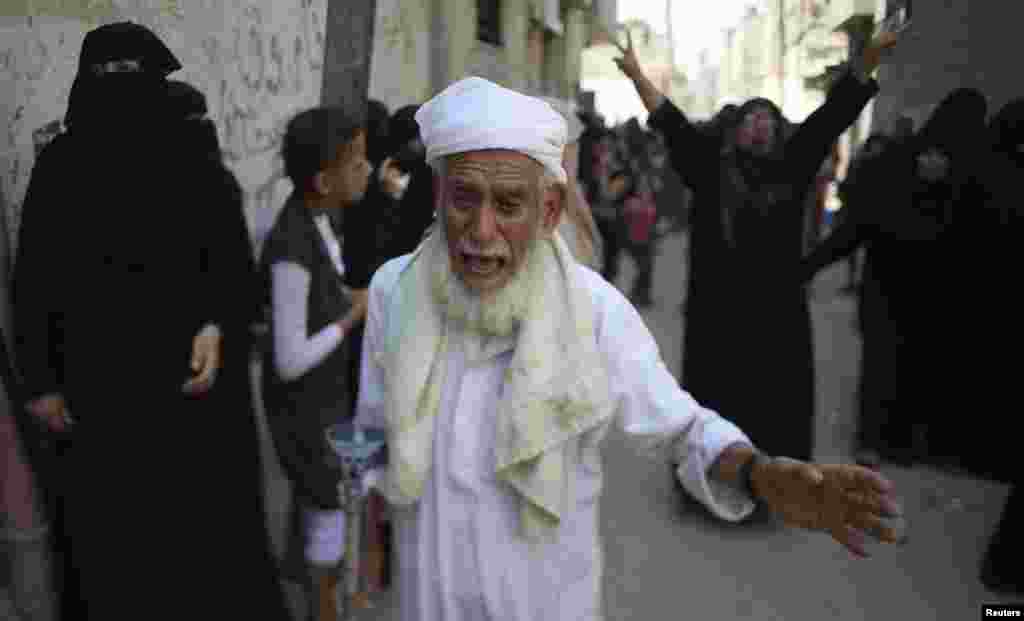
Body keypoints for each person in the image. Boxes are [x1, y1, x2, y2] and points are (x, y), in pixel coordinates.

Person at [351, 76, 905, 621]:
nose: (481, 229)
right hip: (428, 595)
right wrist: (369, 537)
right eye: (464, 199)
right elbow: (374, 427)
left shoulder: (593, 312)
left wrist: (761, 473)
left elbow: (683, 429)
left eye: (508, 204)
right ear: (439, 197)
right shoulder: (393, 291)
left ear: (548, 212)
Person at [12, 22, 291, 619]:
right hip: (102, 407)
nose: (117, 88)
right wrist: (42, 384)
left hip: (192, 402)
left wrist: (217, 324)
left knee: (201, 553)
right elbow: (32, 280)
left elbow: (231, 266)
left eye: (129, 74)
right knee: (114, 556)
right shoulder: (59, 167)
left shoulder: (193, 161)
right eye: (104, 75)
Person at [614, 27, 902, 463]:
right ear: (735, 129)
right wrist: (637, 75)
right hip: (719, 312)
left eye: (767, 116)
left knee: (775, 401)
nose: (759, 122)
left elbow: (834, 114)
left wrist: (870, 59)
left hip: (776, 314)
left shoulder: (794, 164)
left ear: (778, 128)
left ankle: (776, 480)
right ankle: (711, 475)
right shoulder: (708, 166)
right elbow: (671, 122)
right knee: (717, 399)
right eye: (750, 117)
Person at [800, 88, 989, 468]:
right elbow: (860, 224)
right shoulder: (906, 162)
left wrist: (810, 265)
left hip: (911, 288)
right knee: (893, 363)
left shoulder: (970, 169)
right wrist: (808, 265)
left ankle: (894, 440)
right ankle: (883, 440)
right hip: (903, 288)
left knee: (900, 364)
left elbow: (856, 227)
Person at [260, 106, 372, 621]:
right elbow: (287, 359)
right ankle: (322, 606)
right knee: (326, 510)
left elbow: (328, 299)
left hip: (331, 401)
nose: (367, 171)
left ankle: (329, 590)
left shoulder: (320, 222)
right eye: (357, 164)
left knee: (340, 495)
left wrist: (355, 297)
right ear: (323, 179)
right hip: (306, 415)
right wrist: (351, 316)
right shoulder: (290, 248)